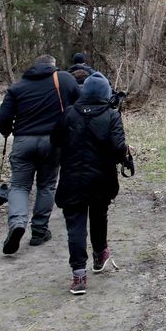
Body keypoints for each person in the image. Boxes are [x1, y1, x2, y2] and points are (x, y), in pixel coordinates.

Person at [51, 71, 128, 296]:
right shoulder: (111, 115)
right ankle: (99, 255)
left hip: (72, 178)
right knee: (98, 216)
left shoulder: (69, 114)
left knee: (75, 226)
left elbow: (55, 140)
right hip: (101, 179)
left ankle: (78, 274)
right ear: (106, 93)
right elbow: (117, 149)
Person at [0, 54, 81, 253]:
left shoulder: (18, 87)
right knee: (47, 184)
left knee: (19, 186)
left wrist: (6, 130)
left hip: (23, 141)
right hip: (53, 142)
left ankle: (17, 223)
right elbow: (80, 104)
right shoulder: (65, 79)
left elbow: (3, 118)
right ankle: (39, 230)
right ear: (53, 66)